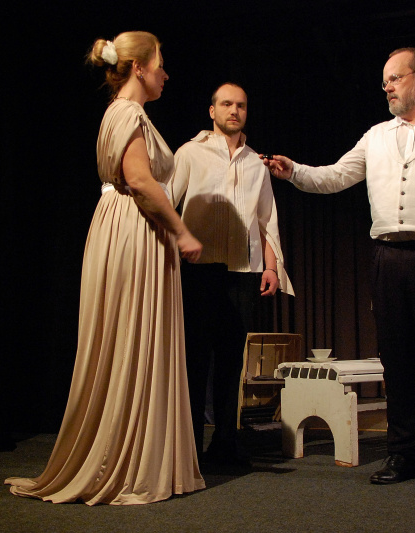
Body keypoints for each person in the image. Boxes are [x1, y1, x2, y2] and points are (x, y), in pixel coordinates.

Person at [264, 48, 415, 493]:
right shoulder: (376, 136)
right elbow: (335, 176)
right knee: (396, 362)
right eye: (385, 81)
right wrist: (294, 172)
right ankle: (403, 454)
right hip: (389, 260)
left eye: (395, 78)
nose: (387, 86)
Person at [5, 31, 205, 505]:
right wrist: (182, 231)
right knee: (131, 333)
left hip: (129, 226)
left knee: (130, 335)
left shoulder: (123, 112)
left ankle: (135, 455)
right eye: (160, 64)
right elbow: (139, 180)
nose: (165, 74)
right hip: (134, 226)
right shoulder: (128, 112)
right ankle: (121, 461)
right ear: (139, 67)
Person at [170, 82, 294, 466]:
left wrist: (271, 267)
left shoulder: (256, 163)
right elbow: (167, 202)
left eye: (240, 105)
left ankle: (224, 444)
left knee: (231, 361)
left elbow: (266, 219)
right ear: (212, 111)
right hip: (199, 270)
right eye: (226, 104)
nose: (234, 110)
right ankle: (187, 449)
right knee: (194, 360)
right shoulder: (190, 153)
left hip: (242, 271)